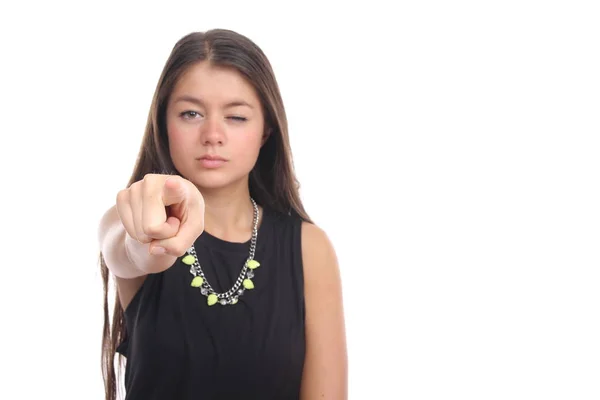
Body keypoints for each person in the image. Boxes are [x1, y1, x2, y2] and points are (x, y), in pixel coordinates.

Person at [97, 29, 347, 400]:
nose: (212, 134)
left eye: (236, 117)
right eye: (191, 113)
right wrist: (155, 227)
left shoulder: (309, 248)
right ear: (164, 125)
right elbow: (129, 248)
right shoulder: (132, 217)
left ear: (266, 131)